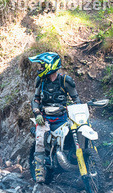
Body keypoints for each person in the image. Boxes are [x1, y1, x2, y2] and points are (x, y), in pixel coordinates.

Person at [28, 51, 78, 182]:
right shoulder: (41, 81)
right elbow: (36, 99)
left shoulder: (66, 81)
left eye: (42, 66)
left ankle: (76, 158)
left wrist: (78, 110)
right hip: (45, 119)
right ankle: (39, 169)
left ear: (50, 65)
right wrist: (37, 113)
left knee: (77, 132)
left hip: (63, 118)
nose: (40, 69)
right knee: (40, 139)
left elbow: (76, 100)